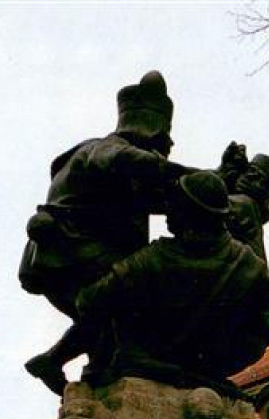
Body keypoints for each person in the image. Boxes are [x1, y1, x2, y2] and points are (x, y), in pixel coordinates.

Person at [19, 71, 181, 395]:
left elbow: (170, 196)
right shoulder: (103, 148)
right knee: (133, 291)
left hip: (70, 257)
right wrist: (200, 177)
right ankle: (81, 365)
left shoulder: (126, 173)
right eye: (157, 146)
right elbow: (120, 160)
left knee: (109, 320)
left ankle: (61, 365)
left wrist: (215, 181)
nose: (160, 156)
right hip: (68, 254)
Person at [75, 170, 269, 388]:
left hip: (152, 353)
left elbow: (88, 300)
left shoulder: (151, 260)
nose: (167, 211)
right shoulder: (244, 262)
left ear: (185, 214)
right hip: (213, 359)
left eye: (173, 205)